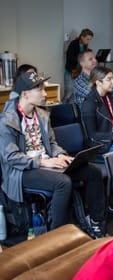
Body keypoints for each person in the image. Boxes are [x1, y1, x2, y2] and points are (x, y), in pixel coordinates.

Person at [0, 72, 105, 236]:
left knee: (93, 171)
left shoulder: (41, 115)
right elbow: (12, 158)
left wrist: (60, 155)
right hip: (22, 171)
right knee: (63, 182)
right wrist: (42, 162)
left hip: (46, 164)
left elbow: (52, 143)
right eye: (40, 90)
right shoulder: (7, 121)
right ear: (25, 94)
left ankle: (96, 222)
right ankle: (56, 236)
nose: (44, 94)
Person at [81, 66, 113, 156]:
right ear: (98, 82)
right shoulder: (89, 103)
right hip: (102, 145)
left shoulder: (109, 97)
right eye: (109, 79)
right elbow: (92, 135)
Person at [64, 28, 93, 103]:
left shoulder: (84, 46)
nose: (88, 41)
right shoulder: (74, 43)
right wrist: (81, 60)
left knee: (75, 93)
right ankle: (61, 108)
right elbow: (70, 57)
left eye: (90, 39)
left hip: (79, 72)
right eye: (87, 39)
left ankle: (71, 110)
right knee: (69, 93)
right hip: (71, 71)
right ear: (82, 37)